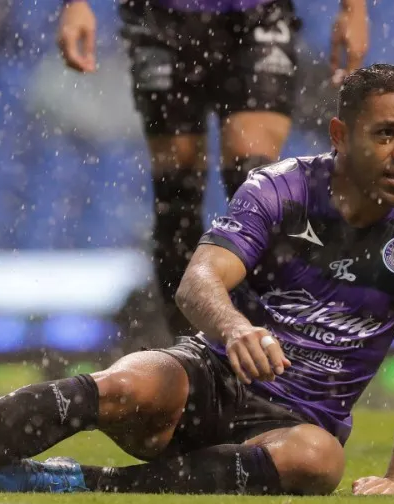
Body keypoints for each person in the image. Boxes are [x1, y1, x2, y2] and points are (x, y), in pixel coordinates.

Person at [0, 64, 394, 497]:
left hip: (299, 424)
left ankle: (85, 482)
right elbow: (198, 280)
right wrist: (233, 327)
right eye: (386, 133)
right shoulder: (281, 190)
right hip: (212, 375)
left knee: (319, 462)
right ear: (342, 135)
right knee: (126, 383)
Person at [56, 0, 369, 336]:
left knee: (254, 180)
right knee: (177, 191)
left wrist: (353, 9)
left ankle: (270, 343)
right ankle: (187, 352)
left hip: (258, 15)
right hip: (160, 17)